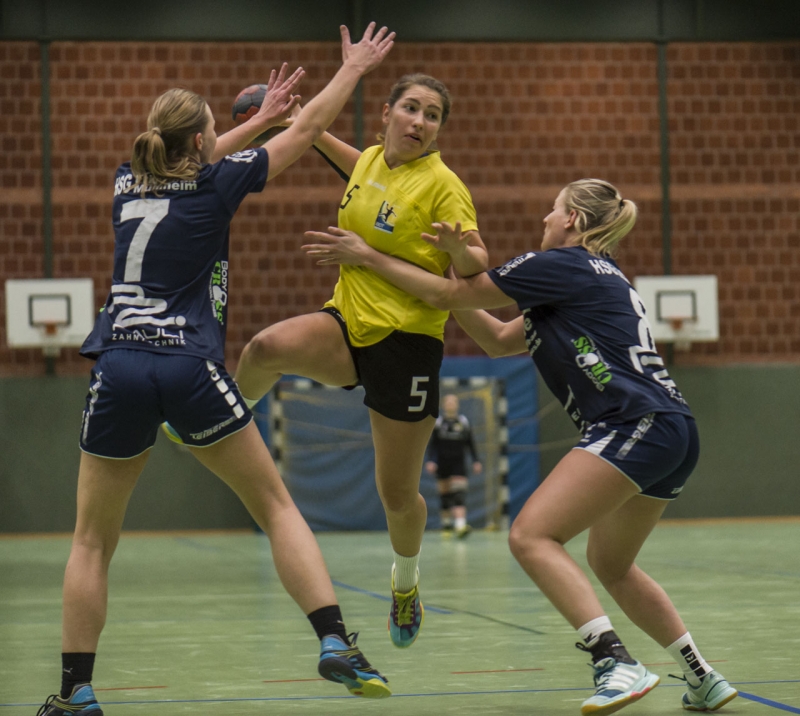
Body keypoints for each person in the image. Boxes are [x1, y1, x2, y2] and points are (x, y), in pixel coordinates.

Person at [37, 24, 396, 716]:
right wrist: (351, 70)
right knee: (275, 507)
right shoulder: (216, 187)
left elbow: (191, 158)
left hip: (118, 365)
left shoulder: (124, 182)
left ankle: (77, 691)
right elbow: (309, 130)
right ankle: (334, 642)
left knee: (91, 541)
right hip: (188, 368)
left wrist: (254, 121)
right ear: (202, 144)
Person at [302, 178, 739, 715]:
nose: (545, 219)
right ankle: (702, 676)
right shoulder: (584, 279)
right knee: (611, 563)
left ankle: (614, 660)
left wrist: (370, 256)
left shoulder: (560, 264)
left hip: (632, 422)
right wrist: (450, 266)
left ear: (572, 220)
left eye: (553, 209)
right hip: (671, 428)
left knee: (531, 536)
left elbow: (451, 295)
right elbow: (493, 339)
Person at [234, 73, 488, 649]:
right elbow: (336, 151)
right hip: (347, 323)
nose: (420, 121)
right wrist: (294, 121)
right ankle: (224, 418)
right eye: (411, 108)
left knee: (396, 496)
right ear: (388, 113)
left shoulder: (444, 185)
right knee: (264, 349)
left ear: (438, 130)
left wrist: (458, 250)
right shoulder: (372, 160)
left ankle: (406, 582)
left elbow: (476, 264)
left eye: (432, 115)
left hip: (407, 345)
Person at [425, 393, 482, 537]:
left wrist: (476, 460)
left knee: (458, 494)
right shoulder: (439, 423)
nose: (450, 404)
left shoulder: (463, 422)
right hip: (443, 463)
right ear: (443, 405)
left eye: (453, 402)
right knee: (445, 496)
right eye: (448, 402)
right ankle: (446, 526)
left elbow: (470, 443)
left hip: (458, 463)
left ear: (457, 405)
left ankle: (460, 525)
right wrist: (431, 461)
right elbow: (433, 445)